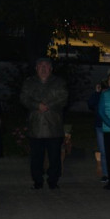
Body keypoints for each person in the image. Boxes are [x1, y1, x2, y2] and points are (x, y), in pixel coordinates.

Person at [21, 57, 68, 189]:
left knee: (55, 157)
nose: (43, 68)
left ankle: (53, 180)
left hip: (54, 125)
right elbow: (24, 98)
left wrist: (47, 105)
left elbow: (63, 98)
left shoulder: (59, 82)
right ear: (36, 68)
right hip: (35, 126)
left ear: (51, 68)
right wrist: (37, 105)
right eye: (40, 65)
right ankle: (37, 181)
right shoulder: (29, 82)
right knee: (36, 157)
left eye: (46, 65)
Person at [86, 80, 108, 183]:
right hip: (100, 126)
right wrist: (97, 92)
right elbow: (90, 104)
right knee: (103, 151)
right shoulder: (99, 95)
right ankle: (105, 174)